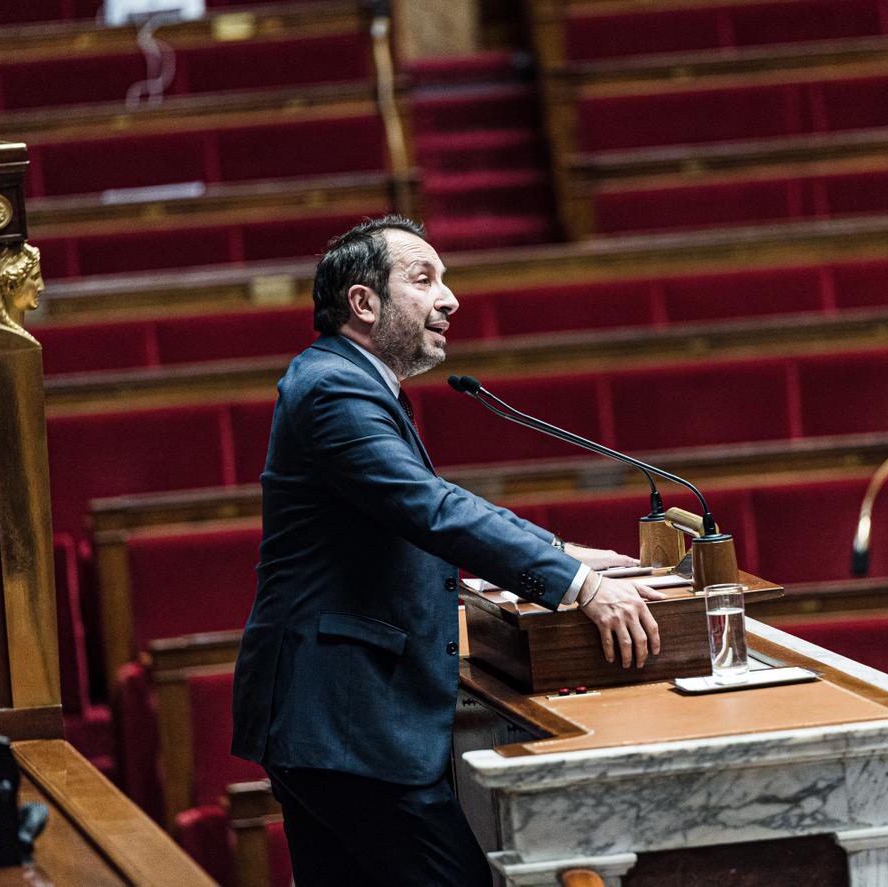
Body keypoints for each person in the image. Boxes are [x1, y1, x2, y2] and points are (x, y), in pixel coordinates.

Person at [231, 215, 664, 886]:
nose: (450, 298)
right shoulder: (333, 390)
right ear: (364, 302)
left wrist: (557, 548)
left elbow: (428, 502)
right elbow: (431, 510)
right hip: (348, 720)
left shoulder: (347, 381)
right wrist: (576, 581)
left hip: (331, 720)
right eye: (424, 279)